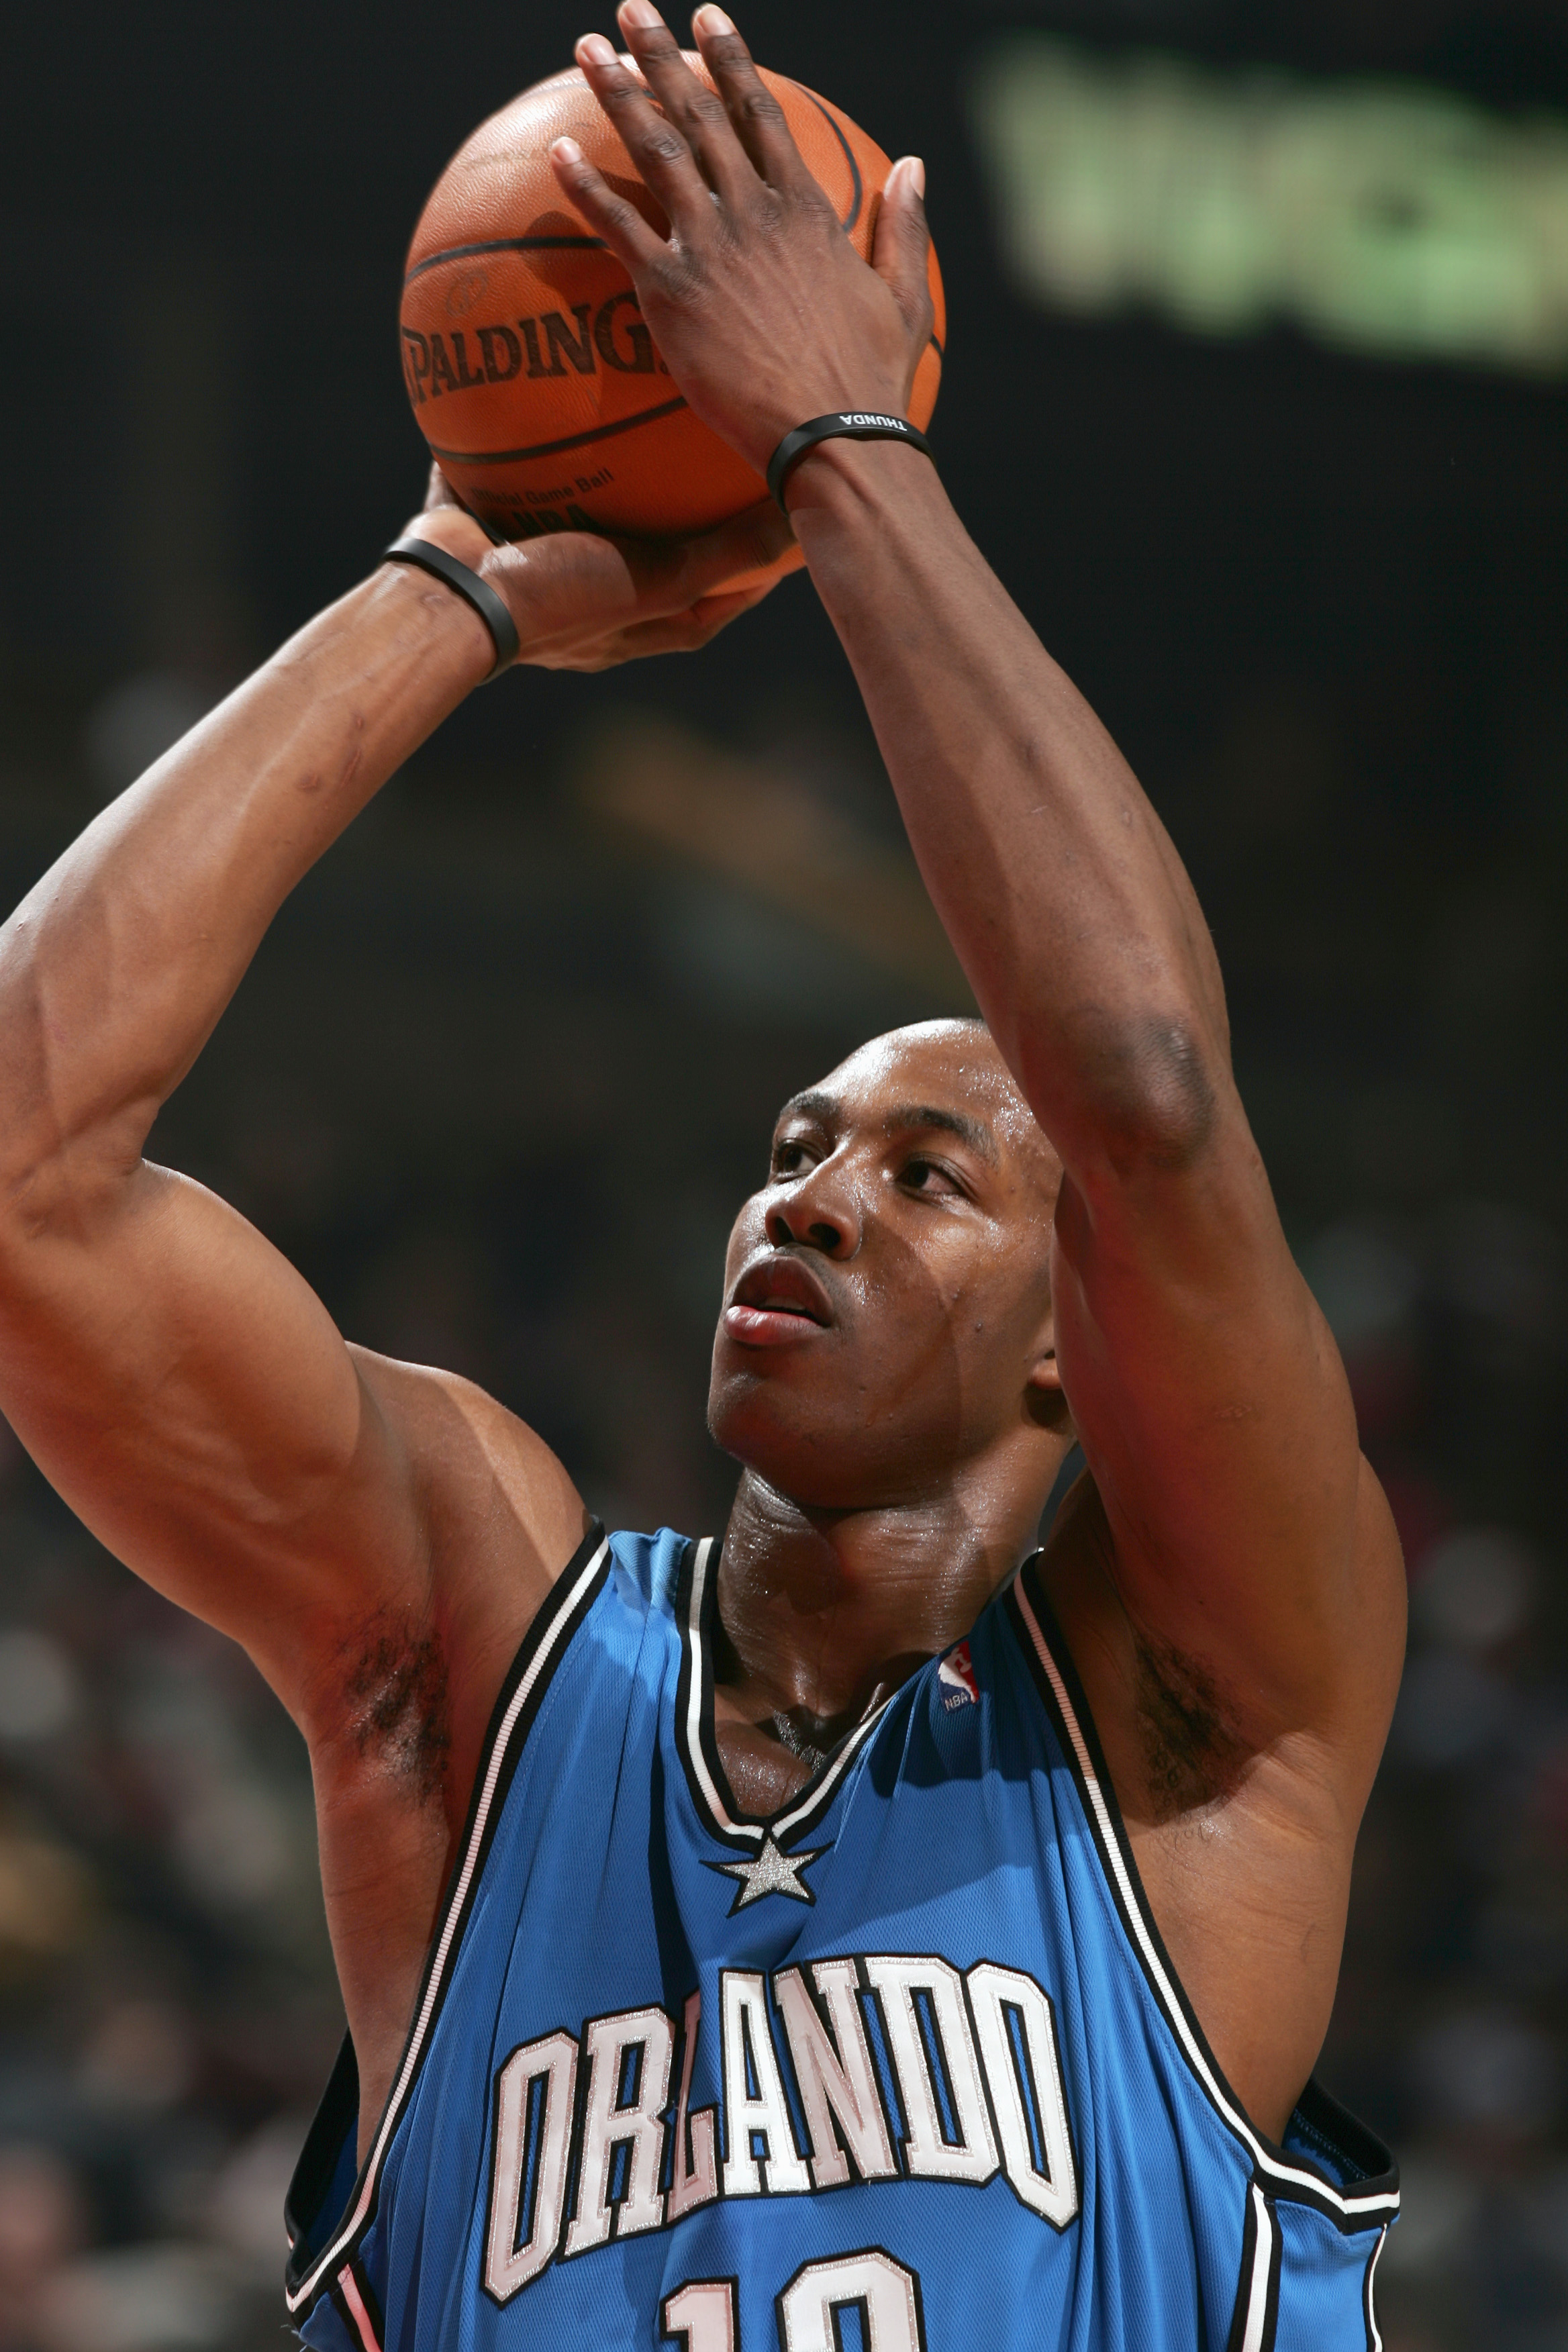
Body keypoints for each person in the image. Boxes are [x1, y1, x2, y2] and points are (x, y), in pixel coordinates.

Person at [0, 6, 1406, 2347]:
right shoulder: (473, 1673)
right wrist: (451, 579)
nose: (817, 1198)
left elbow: (1144, 1093)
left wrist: (845, 446)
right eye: (795, 1147)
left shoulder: (1199, 1723)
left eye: (935, 1173)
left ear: (1087, 1339)